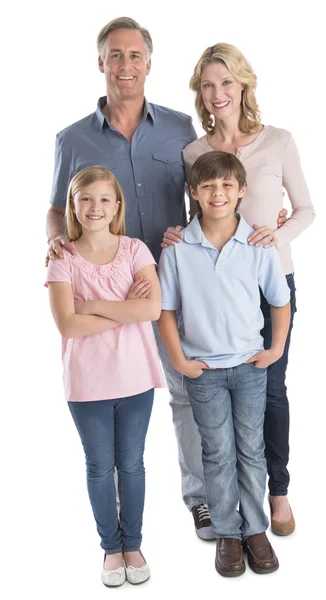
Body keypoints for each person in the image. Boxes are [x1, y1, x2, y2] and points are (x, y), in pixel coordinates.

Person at [46, 17, 285, 539]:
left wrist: (270, 215)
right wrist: (53, 243)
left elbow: (217, 182)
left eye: (135, 56)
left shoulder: (180, 129)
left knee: (186, 389)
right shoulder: (72, 139)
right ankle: (128, 529)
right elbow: (54, 210)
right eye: (115, 55)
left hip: (178, 285)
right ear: (101, 63)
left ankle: (202, 500)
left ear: (149, 64)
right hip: (110, 290)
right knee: (115, 394)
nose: (125, 65)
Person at [162, 43, 315, 535]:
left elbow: (307, 210)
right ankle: (228, 509)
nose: (217, 93)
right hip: (216, 291)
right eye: (207, 85)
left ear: (243, 84)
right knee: (219, 402)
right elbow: (196, 220)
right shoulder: (193, 153)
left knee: (271, 391)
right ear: (199, 93)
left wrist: (278, 234)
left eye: (226, 82)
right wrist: (174, 234)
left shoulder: (279, 141)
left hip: (273, 283)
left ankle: (277, 493)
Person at [158, 151, 290, 576]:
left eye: (227, 186)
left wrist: (274, 351)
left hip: (250, 368)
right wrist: (180, 360)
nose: (218, 194)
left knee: (250, 450)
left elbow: (280, 301)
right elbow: (165, 310)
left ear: (241, 191)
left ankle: (255, 530)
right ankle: (229, 534)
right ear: (193, 192)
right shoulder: (178, 249)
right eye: (209, 187)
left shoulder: (256, 244)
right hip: (204, 372)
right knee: (217, 454)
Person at [46, 166, 165, 587]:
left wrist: (91, 307)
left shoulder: (135, 250)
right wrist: (120, 309)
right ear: (73, 207)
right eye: (85, 199)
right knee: (99, 467)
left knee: (131, 464)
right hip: (87, 382)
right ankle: (111, 549)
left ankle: (133, 543)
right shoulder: (63, 257)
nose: (94, 208)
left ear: (117, 205)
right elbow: (67, 326)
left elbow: (150, 311)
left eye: (103, 199)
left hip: (135, 378)